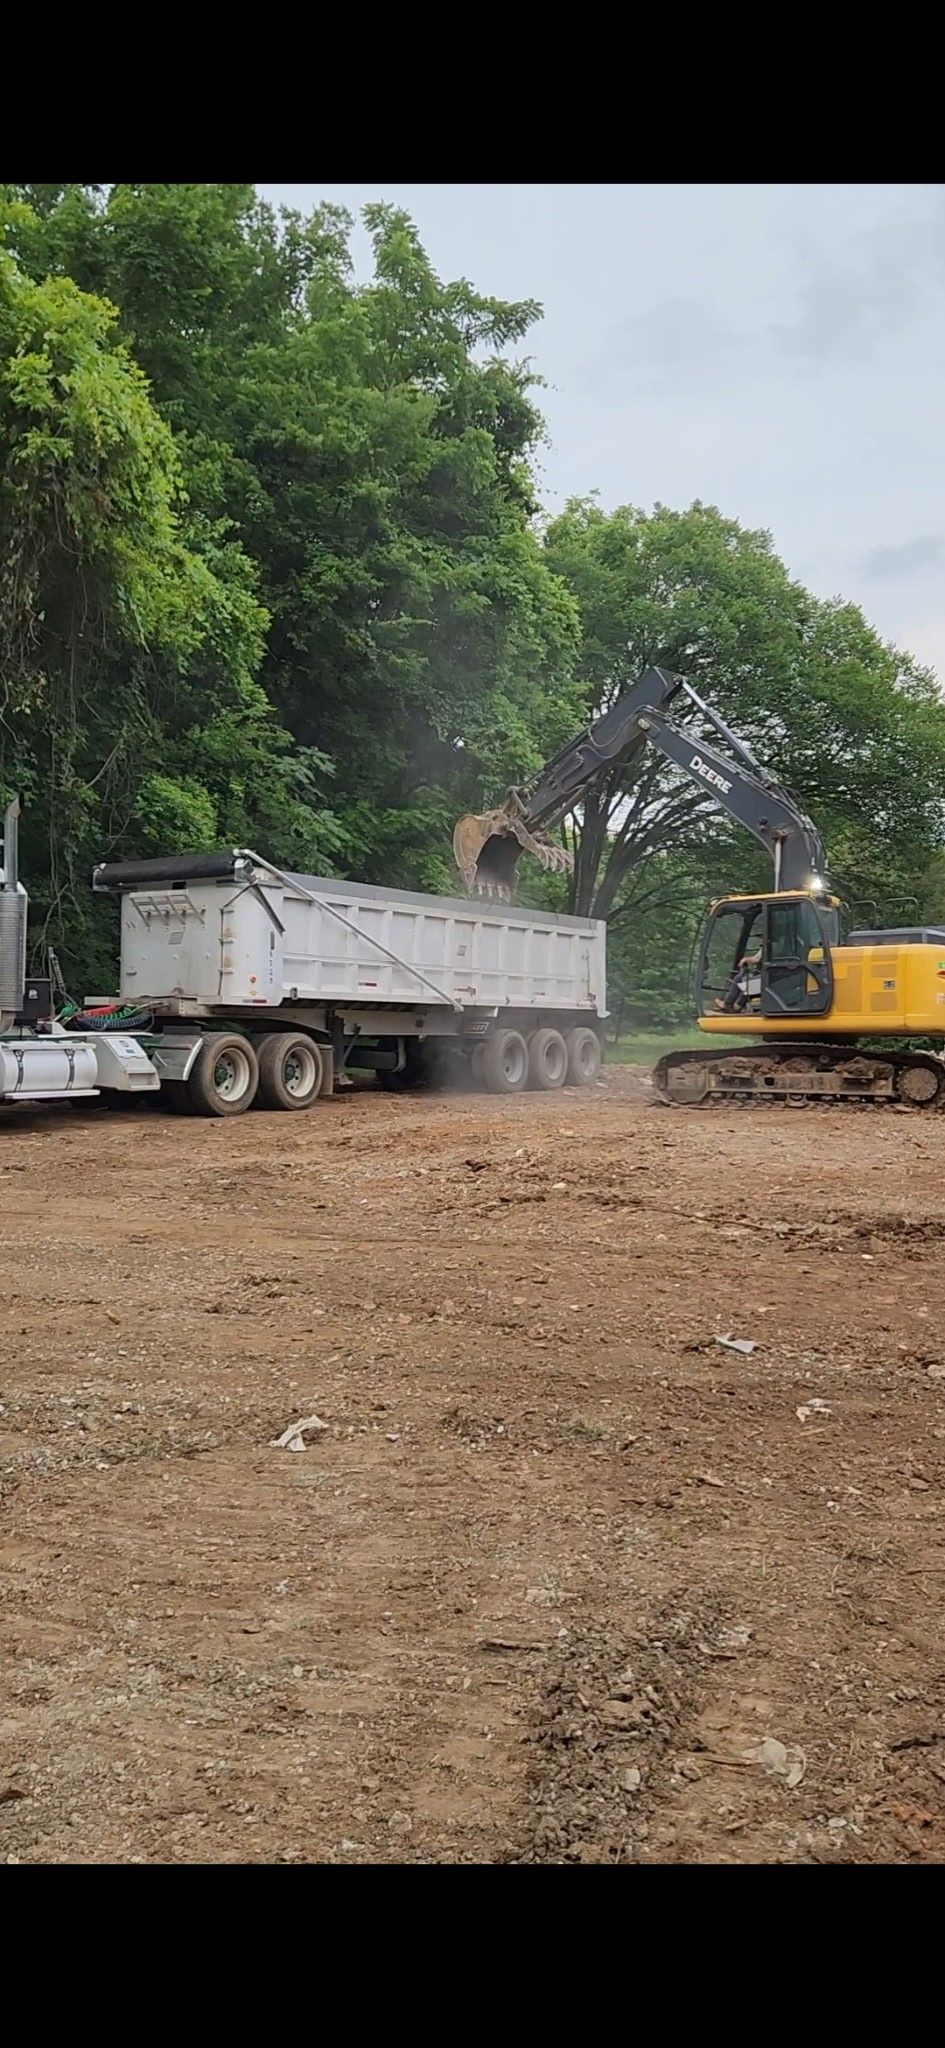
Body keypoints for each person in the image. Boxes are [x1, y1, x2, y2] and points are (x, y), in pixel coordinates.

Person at [715, 924, 763, 1012]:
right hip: (768, 977)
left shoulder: (771, 946)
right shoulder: (770, 946)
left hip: (767, 979)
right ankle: (737, 1007)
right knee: (747, 983)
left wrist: (745, 959)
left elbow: (756, 959)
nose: (760, 940)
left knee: (739, 979)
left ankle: (727, 1004)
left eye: (761, 937)